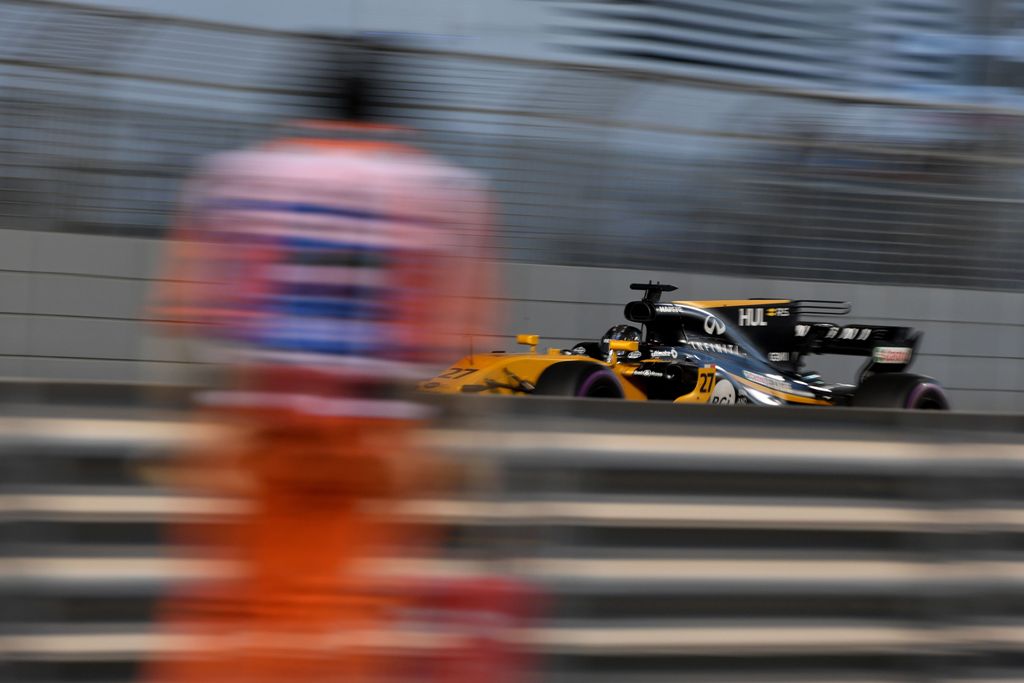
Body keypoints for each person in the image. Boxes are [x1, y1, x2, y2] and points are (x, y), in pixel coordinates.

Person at [145, 38, 493, 683]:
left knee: (238, 603)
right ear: (396, 108)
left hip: (259, 423)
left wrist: (189, 426)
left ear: (309, 99)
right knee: (349, 609)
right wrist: (446, 447)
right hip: (375, 437)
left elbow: (193, 317)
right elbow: (453, 341)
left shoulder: (240, 178)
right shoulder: (447, 196)